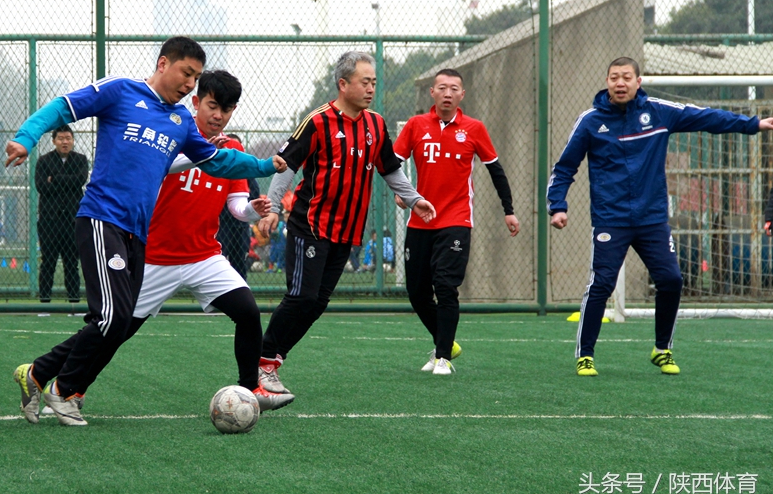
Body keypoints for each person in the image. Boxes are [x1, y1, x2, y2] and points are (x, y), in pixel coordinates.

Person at [7, 37, 286, 426]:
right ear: (163, 63)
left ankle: (38, 373)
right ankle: (65, 391)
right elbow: (62, 107)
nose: (189, 83)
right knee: (111, 318)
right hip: (103, 219)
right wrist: (26, 137)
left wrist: (264, 166)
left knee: (118, 322)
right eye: (186, 73)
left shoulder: (180, 121)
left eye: (195, 77)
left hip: (140, 236)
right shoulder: (121, 90)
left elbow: (216, 161)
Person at [547, 57, 773, 377]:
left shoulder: (658, 112)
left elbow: (704, 117)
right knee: (602, 283)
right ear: (607, 82)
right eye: (614, 77)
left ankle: (662, 349)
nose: (620, 83)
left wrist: (752, 124)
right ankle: (585, 355)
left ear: (638, 81)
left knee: (671, 280)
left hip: (652, 218)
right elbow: (564, 168)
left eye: (627, 77)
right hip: (610, 219)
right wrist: (557, 205)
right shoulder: (590, 121)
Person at [84, 70, 293, 413]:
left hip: (203, 257)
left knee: (247, 312)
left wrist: (252, 211)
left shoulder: (233, 149)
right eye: (212, 106)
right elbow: (158, 168)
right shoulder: (173, 131)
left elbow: (236, 206)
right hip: (156, 257)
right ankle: (71, 387)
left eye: (226, 109)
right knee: (116, 329)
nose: (218, 115)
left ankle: (250, 388)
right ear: (196, 102)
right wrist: (201, 155)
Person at [256, 51, 437, 396]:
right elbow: (286, 164)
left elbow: (390, 169)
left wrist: (415, 199)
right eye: (364, 82)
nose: (371, 89)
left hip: (346, 232)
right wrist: (273, 208)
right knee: (301, 297)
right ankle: (263, 361)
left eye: (374, 82)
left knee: (317, 303)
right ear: (343, 84)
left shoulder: (376, 125)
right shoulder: (317, 121)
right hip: (310, 226)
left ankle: (272, 361)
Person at [393, 68, 520, 375]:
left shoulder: (474, 128)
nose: (447, 93)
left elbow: (496, 170)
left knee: (446, 285)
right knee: (417, 292)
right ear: (432, 93)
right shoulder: (415, 125)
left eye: (454, 88)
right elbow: (393, 165)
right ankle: (446, 342)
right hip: (420, 220)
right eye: (442, 88)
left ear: (462, 95)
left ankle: (443, 357)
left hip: (456, 219)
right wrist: (404, 193)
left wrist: (509, 210)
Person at [35, 125, 90, 303]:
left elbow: (79, 180)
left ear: (73, 140)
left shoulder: (80, 160)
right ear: (54, 141)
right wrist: (66, 182)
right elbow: (41, 186)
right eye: (61, 138)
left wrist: (55, 179)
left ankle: (74, 302)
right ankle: (44, 302)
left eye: (68, 138)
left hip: (73, 221)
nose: (64, 142)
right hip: (49, 220)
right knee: (48, 262)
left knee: (72, 263)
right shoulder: (44, 161)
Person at [217, 133, 260, 279]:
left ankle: (240, 287)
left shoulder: (245, 171)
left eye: (237, 148)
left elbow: (254, 194)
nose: (233, 151)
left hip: (240, 226)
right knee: (218, 261)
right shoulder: (217, 169)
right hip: (221, 224)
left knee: (239, 264)